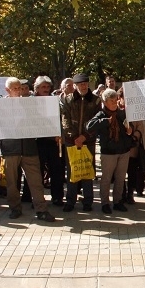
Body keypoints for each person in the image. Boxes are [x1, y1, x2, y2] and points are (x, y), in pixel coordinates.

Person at [0, 77, 54, 221]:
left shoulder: (30, 104)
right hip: (10, 149)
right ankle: (15, 208)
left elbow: (41, 119)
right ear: (7, 90)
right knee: (11, 182)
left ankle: (41, 209)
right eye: (15, 88)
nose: (19, 90)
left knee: (36, 181)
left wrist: (54, 129)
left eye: (20, 88)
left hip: (29, 148)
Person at [87, 88, 134, 214]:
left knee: (120, 178)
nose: (114, 103)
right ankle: (105, 203)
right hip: (108, 152)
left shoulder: (122, 113)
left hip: (123, 150)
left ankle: (117, 201)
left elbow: (130, 127)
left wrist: (130, 130)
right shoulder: (101, 114)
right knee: (106, 178)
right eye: (111, 101)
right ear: (105, 102)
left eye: (115, 100)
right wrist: (105, 122)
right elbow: (89, 126)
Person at [61, 73, 102, 212]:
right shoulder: (68, 100)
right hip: (71, 141)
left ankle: (88, 202)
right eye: (80, 84)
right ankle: (70, 201)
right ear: (76, 86)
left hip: (88, 141)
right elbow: (64, 119)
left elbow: (97, 121)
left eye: (85, 84)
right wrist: (73, 137)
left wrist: (84, 136)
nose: (83, 86)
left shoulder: (96, 100)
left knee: (87, 171)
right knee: (73, 170)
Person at [33, 76, 65, 206]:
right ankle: (38, 198)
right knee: (37, 172)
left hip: (53, 141)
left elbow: (62, 118)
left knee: (56, 171)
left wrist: (60, 134)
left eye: (47, 87)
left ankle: (57, 197)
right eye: (43, 87)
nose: (46, 89)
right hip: (37, 141)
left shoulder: (55, 101)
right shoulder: (31, 101)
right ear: (37, 88)